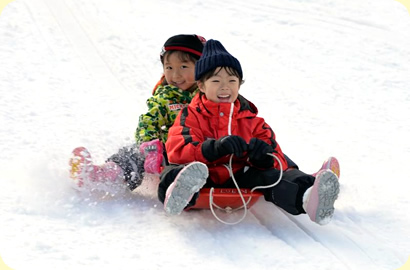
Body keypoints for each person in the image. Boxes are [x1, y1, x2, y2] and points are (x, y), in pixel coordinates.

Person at [158, 39, 340, 225]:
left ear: (239, 85)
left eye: (231, 80)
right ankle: (180, 193)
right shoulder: (191, 114)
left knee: (273, 177)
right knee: (175, 170)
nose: (225, 87)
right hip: (203, 176)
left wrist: (263, 157)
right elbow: (177, 149)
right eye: (216, 81)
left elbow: (278, 158)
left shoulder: (251, 120)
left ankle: (307, 196)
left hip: (239, 176)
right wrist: (213, 148)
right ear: (202, 86)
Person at [69, 34, 207, 193]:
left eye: (183, 67)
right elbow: (148, 121)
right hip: (169, 153)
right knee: (132, 154)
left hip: (203, 151)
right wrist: (149, 145)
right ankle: (102, 176)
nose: (175, 75)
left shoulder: (212, 95)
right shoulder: (165, 97)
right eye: (169, 68)